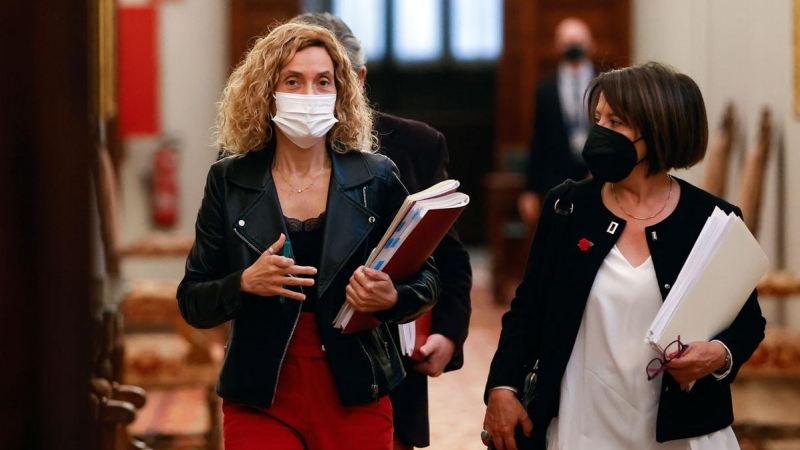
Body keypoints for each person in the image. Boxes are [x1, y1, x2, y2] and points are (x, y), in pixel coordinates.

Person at [177, 21, 442, 450]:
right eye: (293, 81)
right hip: (261, 388)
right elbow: (192, 299)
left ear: (341, 93)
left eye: (323, 82)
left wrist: (390, 297)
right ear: (267, 91)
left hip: (355, 383)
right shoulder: (229, 180)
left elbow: (428, 280)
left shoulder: (376, 177)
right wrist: (244, 284)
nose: (309, 96)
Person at [482, 61, 766, 450]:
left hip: (682, 432)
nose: (598, 132)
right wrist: (502, 386)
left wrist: (719, 354)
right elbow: (527, 309)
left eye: (615, 122)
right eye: (597, 118)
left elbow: (749, 321)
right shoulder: (568, 207)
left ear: (657, 128)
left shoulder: (712, 221)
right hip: (585, 424)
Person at [290, 13, 473, 450]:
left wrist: (448, 332)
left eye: (330, 80)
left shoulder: (414, 144)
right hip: (286, 358)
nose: (318, 98)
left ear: (359, 78)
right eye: (297, 82)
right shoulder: (248, 153)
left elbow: (445, 254)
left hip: (385, 355)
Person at [517, 17, 595, 228]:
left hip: (597, 176)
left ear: (590, 43)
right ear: (557, 46)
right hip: (558, 179)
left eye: (578, 41)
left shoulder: (604, 83)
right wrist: (530, 189)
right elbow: (538, 139)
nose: (573, 47)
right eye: (567, 42)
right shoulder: (546, 89)